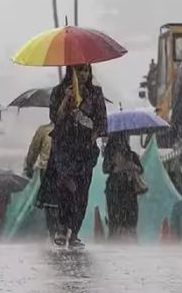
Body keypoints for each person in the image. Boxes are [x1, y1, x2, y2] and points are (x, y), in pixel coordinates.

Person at [38, 64, 107, 249]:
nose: (83, 74)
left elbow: (101, 122)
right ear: (71, 71)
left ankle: (74, 232)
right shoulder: (59, 91)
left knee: (81, 193)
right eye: (79, 70)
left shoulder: (95, 93)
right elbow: (55, 118)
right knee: (65, 188)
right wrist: (66, 100)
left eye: (86, 70)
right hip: (64, 149)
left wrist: (92, 136)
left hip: (85, 150)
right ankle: (62, 228)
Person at [103, 133, 145, 240]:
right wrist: (121, 168)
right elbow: (106, 169)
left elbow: (140, 169)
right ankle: (122, 237)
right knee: (122, 219)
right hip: (119, 190)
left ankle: (121, 237)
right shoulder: (113, 156)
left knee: (123, 220)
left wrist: (132, 166)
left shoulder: (130, 156)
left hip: (124, 190)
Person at [24, 121, 56, 239]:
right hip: (57, 170)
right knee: (54, 202)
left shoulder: (43, 130)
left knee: (50, 202)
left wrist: (29, 166)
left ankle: (53, 231)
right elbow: (34, 150)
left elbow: (33, 150)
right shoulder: (70, 128)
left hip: (49, 170)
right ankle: (55, 230)